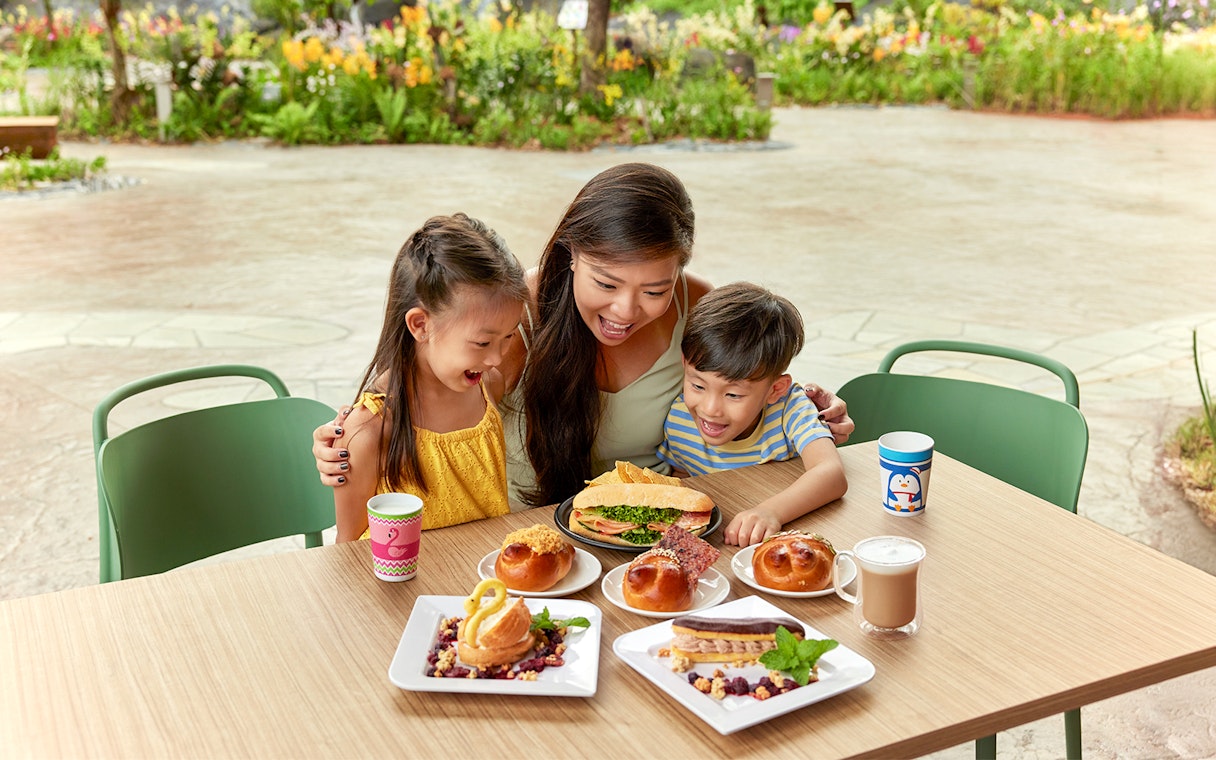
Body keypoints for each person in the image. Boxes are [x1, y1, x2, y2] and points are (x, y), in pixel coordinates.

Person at [313, 163, 854, 507]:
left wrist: (805, 410)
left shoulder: (697, 302)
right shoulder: (512, 317)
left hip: (660, 523)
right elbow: (413, 377)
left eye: (654, 289)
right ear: (570, 255)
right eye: (606, 282)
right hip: (530, 530)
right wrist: (351, 429)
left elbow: (746, 377)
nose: (625, 310)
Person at [329, 213, 528, 542]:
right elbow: (346, 555)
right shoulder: (368, 431)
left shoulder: (488, 388)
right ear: (420, 325)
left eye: (508, 337)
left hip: (484, 589)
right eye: (482, 342)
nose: (496, 359)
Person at [656, 282, 848, 546]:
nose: (710, 409)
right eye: (698, 385)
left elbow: (831, 474)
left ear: (775, 389)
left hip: (794, 537)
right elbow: (683, 480)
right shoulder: (679, 420)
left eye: (733, 395)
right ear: (684, 365)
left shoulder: (790, 409)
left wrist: (770, 512)